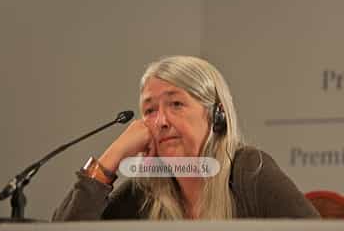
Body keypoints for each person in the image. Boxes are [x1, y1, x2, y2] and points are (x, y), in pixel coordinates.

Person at [52, 56, 320, 220]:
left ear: (218, 115)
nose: (161, 121)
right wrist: (113, 155)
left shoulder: (249, 170)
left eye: (176, 104)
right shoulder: (144, 192)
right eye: (149, 110)